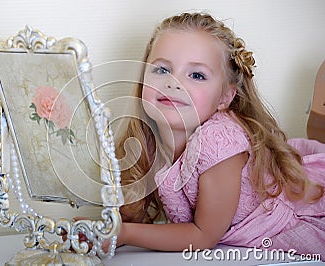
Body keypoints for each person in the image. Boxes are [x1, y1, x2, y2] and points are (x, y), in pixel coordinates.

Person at [113, 12, 325, 257]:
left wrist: (124, 233)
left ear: (226, 97)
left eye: (196, 75)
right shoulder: (147, 139)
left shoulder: (217, 142)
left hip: (284, 227)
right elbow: (129, 215)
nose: (173, 83)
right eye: (162, 70)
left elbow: (203, 235)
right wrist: (98, 231)